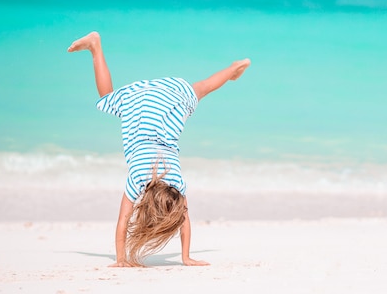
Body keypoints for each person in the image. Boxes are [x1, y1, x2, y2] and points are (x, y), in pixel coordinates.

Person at [68, 32, 250, 267]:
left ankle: (233, 68)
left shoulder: (177, 183)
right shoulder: (137, 179)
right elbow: (123, 220)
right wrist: (122, 258)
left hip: (168, 103)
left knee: (201, 88)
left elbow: (183, 220)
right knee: (107, 98)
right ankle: (95, 47)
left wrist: (185, 257)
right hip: (142, 106)